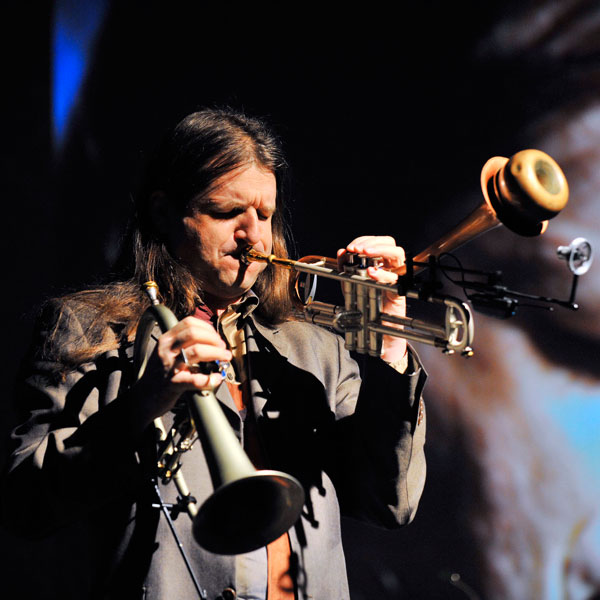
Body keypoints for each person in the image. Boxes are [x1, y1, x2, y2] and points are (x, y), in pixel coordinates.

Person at [2, 108, 427, 600]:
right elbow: (24, 504)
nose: (255, 237)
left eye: (265, 216)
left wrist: (390, 341)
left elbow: (390, 502)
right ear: (164, 212)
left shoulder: (315, 347)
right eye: (228, 213)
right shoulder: (87, 328)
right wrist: (142, 405)